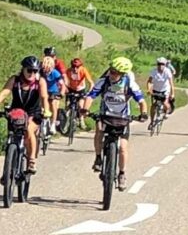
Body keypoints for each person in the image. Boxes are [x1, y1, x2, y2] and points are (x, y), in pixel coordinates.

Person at [82, 57, 148, 191]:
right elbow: (90, 96)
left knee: (123, 147)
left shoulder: (129, 84)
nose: (111, 74)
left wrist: (144, 113)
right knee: (99, 130)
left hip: (122, 118)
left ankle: (122, 173)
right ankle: (98, 158)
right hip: (105, 115)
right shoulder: (103, 81)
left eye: (115, 72)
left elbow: (141, 101)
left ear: (122, 74)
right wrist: (85, 109)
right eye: (111, 71)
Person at [0, 56, 52, 174]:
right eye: (29, 70)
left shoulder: (40, 82)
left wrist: (46, 110)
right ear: (23, 69)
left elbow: (44, 97)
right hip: (16, 112)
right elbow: (5, 93)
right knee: (11, 137)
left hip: (34, 113)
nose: (31, 73)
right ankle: (7, 171)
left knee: (29, 130)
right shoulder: (15, 80)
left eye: (35, 71)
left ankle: (32, 160)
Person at [147, 57, 176, 129]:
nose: (160, 66)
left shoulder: (167, 71)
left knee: (165, 103)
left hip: (165, 90)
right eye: (159, 64)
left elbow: (171, 84)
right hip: (156, 89)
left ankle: (165, 113)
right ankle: (152, 122)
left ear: (165, 65)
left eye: (162, 64)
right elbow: (149, 81)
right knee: (153, 105)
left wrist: (172, 94)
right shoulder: (154, 71)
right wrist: (148, 89)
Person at [64, 58, 94, 129]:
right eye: (73, 67)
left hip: (81, 89)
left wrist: (89, 92)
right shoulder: (68, 71)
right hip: (71, 89)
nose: (75, 69)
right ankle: (66, 122)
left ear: (80, 66)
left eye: (77, 67)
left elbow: (91, 83)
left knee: (81, 105)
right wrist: (65, 88)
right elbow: (64, 81)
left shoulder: (83, 70)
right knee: (67, 106)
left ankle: (81, 121)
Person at [41, 56, 66, 135]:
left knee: (53, 104)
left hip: (53, 91)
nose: (46, 70)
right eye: (44, 68)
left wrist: (61, 93)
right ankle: (42, 121)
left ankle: (53, 124)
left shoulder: (55, 73)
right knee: (42, 107)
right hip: (43, 91)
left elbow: (62, 84)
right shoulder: (40, 72)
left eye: (48, 68)